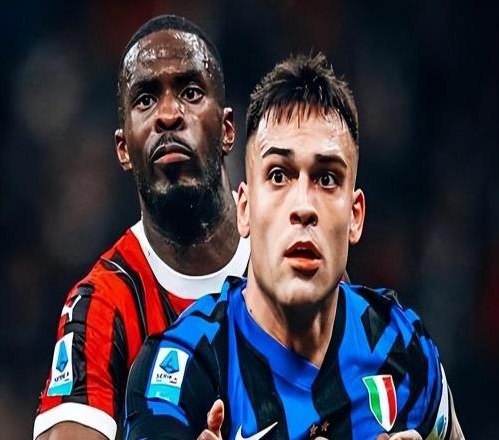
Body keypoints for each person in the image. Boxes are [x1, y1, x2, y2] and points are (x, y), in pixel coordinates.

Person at [124, 53, 464, 439]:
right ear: (244, 210)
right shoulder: (182, 368)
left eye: (327, 178)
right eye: (278, 175)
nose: (303, 206)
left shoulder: (401, 346)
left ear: (355, 217)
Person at [33, 15, 250, 440]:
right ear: (123, 149)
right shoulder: (101, 306)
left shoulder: (292, 258)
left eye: (190, 92)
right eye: (146, 99)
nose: (168, 115)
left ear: (228, 130)